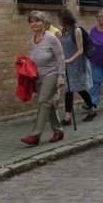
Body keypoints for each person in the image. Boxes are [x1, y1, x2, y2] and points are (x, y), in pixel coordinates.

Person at [20, 11, 66, 146]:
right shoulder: (33, 40)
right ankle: (58, 131)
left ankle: (35, 135)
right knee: (49, 104)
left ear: (44, 23)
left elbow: (60, 58)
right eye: (31, 21)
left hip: (51, 74)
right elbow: (35, 57)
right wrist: (26, 63)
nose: (34, 24)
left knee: (43, 102)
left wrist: (61, 77)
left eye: (37, 21)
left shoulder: (51, 38)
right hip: (38, 76)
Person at [58, 9, 97, 124]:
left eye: (60, 19)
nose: (59, 21)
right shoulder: (64, 31)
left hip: (78, 63)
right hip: (68, 64)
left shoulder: (77, 30)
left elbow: (81, 50)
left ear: (65, 20)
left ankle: (92, 110)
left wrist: (71, 59)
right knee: (69, 89)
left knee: (80, 88)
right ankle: (67, 117)